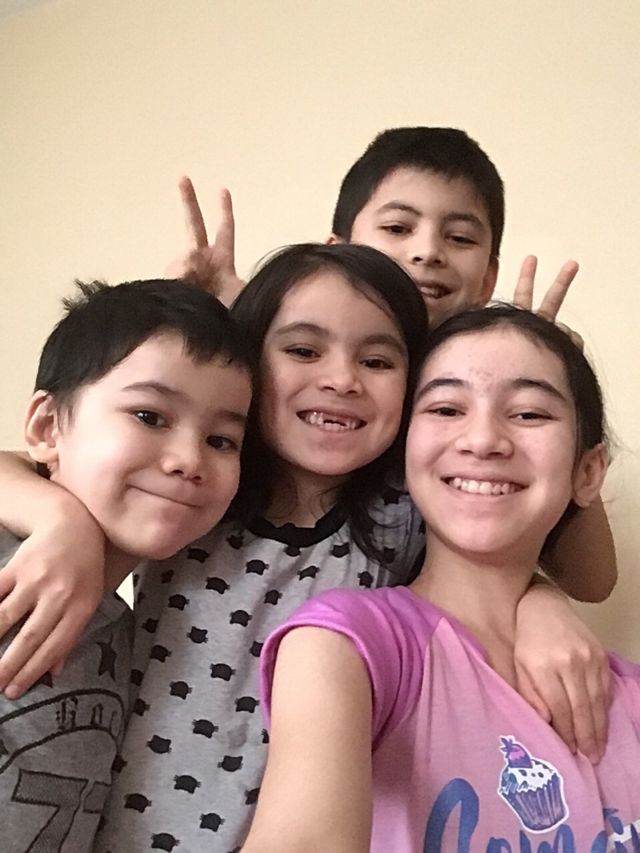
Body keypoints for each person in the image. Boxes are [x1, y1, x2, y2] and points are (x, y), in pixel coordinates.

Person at [0, 245, 612, 851]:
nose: (341, 379)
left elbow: (557, 568)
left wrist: (538, 601)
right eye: (301, 350)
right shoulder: (203, 490)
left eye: (377, 360)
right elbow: (42, 459)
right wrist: (61, 519)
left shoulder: (402, 513)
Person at [245, 304, 640, 852]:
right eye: (447, 408)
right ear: (406, 452)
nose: (483, 440)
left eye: (529, 414)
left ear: (588, 472)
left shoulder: (630, 699)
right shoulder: (343, 647)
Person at [0, 278, 253, 852]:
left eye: (221, 440)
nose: (188, 459)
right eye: (149, 415)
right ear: (46, 428)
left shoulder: (130, 628)